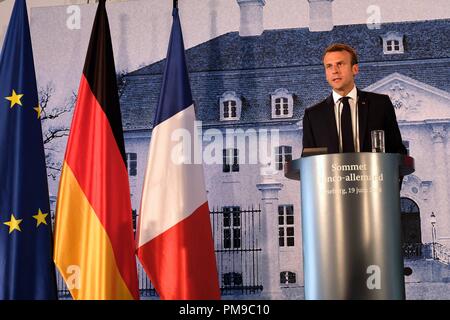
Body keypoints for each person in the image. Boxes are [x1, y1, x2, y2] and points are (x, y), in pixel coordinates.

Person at [302, 43, 407, 156]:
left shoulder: (380, 105)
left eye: (340, 64)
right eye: (329, 66)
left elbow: (398, 153)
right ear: (326, 74)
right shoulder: (313, 116)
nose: (334, 71)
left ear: (355, 69)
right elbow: (308, 162)